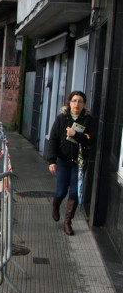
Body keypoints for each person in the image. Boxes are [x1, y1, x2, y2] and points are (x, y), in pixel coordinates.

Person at [47, 91, 92, 235]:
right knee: (61, 191)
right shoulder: (61, 119)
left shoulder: (88, 120)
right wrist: (52, 161)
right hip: (63, 161)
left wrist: (76, 135)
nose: (77, 104)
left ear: (84, 104)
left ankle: (67, 222)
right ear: (69, 103)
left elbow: (91, 140)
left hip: (79, 163)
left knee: (74, 193)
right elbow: (53, 139)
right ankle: (56, 205)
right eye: (74, 101)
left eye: (80, 101)